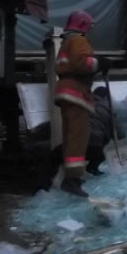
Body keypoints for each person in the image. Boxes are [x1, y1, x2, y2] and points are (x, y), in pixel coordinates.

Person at [53, 10, 110, 197]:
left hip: (65, 91)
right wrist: (100, 63)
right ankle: (72, 180)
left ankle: (70, 177)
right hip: (76, 92)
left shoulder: (65, 42)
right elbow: (83, 63)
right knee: (78, 136)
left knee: (71, 136)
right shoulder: (78, 40)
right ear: (84, 25)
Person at [87, 86, 125, 175]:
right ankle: (92, 167)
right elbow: (119, 133)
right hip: (95, 143)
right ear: (105, 97)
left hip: (76, 143)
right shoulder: (108, 108)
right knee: (103, 153)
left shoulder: (84, 103)